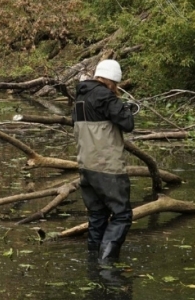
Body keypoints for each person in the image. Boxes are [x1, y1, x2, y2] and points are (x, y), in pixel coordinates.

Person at [72, 59, 135, 263]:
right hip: (107, 167)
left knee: (97, 216)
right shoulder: (106, 96)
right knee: (122, 215)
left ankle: (93, 261)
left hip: (86, 167)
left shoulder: (79, 98)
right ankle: (107, 263)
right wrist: (124, 108)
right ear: (113, 80)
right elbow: (128, 124)